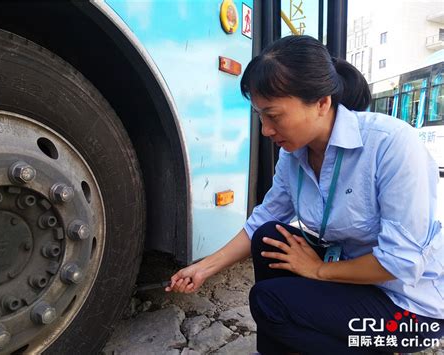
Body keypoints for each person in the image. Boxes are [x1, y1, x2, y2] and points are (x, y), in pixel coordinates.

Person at [165, 35, 444, 354]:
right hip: (354, 280)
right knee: (271, 236)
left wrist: (317, 269)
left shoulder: (392, 145)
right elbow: (264, 220)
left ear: (322, 102)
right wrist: (203, 267)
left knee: (269, 302)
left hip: (408, 314)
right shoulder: (294, 156)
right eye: (260, 116)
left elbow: (400, 264)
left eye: (274, 115)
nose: (266, 130)